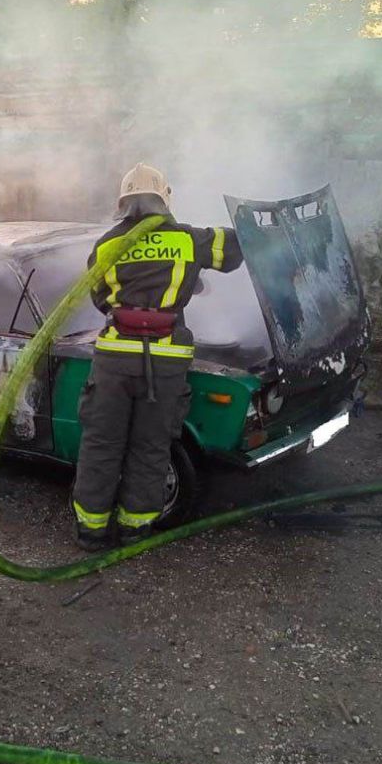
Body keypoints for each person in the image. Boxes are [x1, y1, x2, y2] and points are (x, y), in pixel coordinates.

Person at [71, 163, 244, 550]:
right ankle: (135, 529)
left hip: (115, 359)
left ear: (123, 203)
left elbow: (100, 298)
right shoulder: (190, 239)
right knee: (151, 446)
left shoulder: (105, 246)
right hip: (165, 361)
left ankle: (91, 531)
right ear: (164, 199)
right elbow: (235, 249)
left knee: (101, 443)